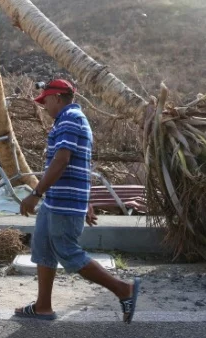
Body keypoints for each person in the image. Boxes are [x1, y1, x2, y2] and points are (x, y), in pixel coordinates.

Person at [14, 79, 140, 323]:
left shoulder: (70, 118)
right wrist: (87, 201)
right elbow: (80, 166)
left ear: (57, 98)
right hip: (58, 200)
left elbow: (62, 160)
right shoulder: (68, 119)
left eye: (45, 101)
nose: (44, 107)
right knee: (43, 248)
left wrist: (35, 194)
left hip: (62, 202)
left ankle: (123, 289)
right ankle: (43, 307)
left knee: (68, 252)